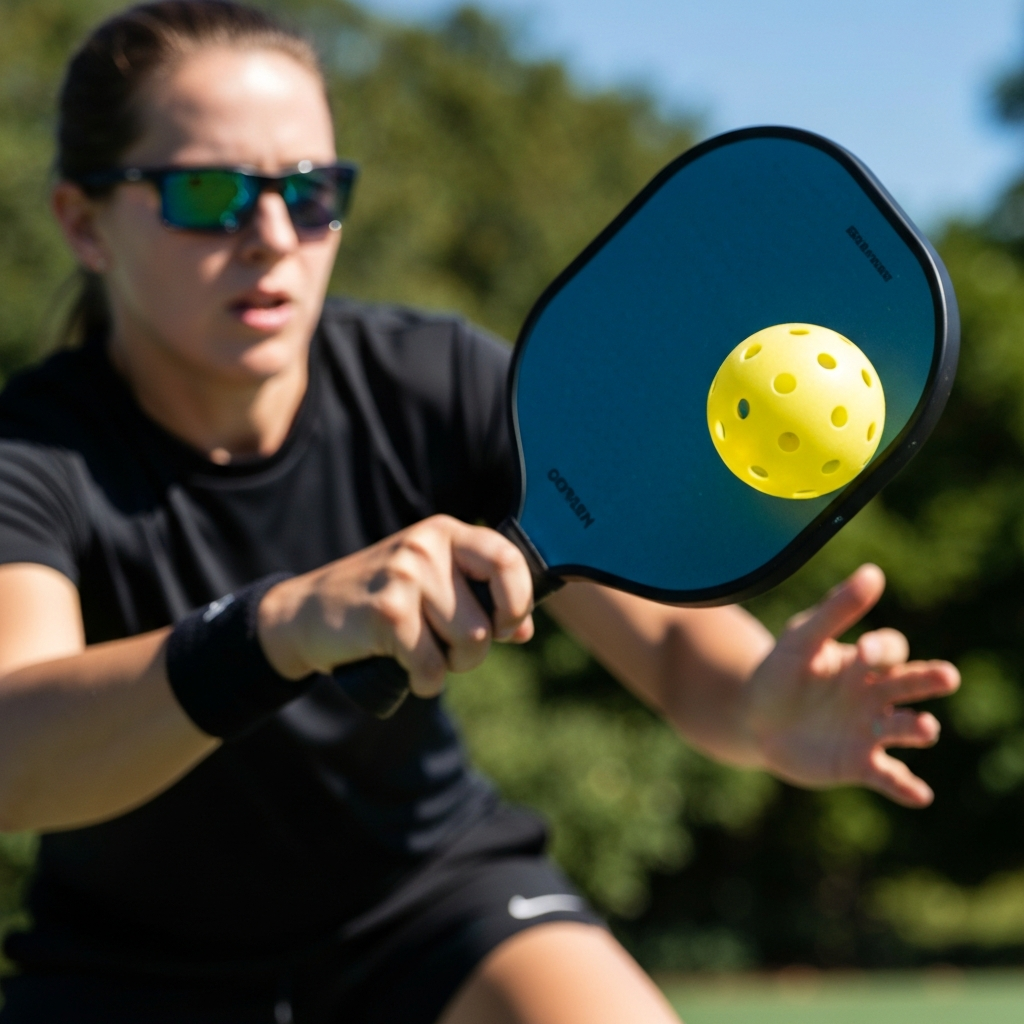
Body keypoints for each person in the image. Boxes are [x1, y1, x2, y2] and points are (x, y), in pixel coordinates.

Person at [0, 3, 958, 1022]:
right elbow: (13, 756)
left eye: (311, 191)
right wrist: (277, 626)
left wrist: (760, 714)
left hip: (435, 902)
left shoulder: (435, 377)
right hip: (128, 963)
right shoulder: (32, 454)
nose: (272, 237)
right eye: (207, 193)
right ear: (82, 220)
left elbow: (686, 661)